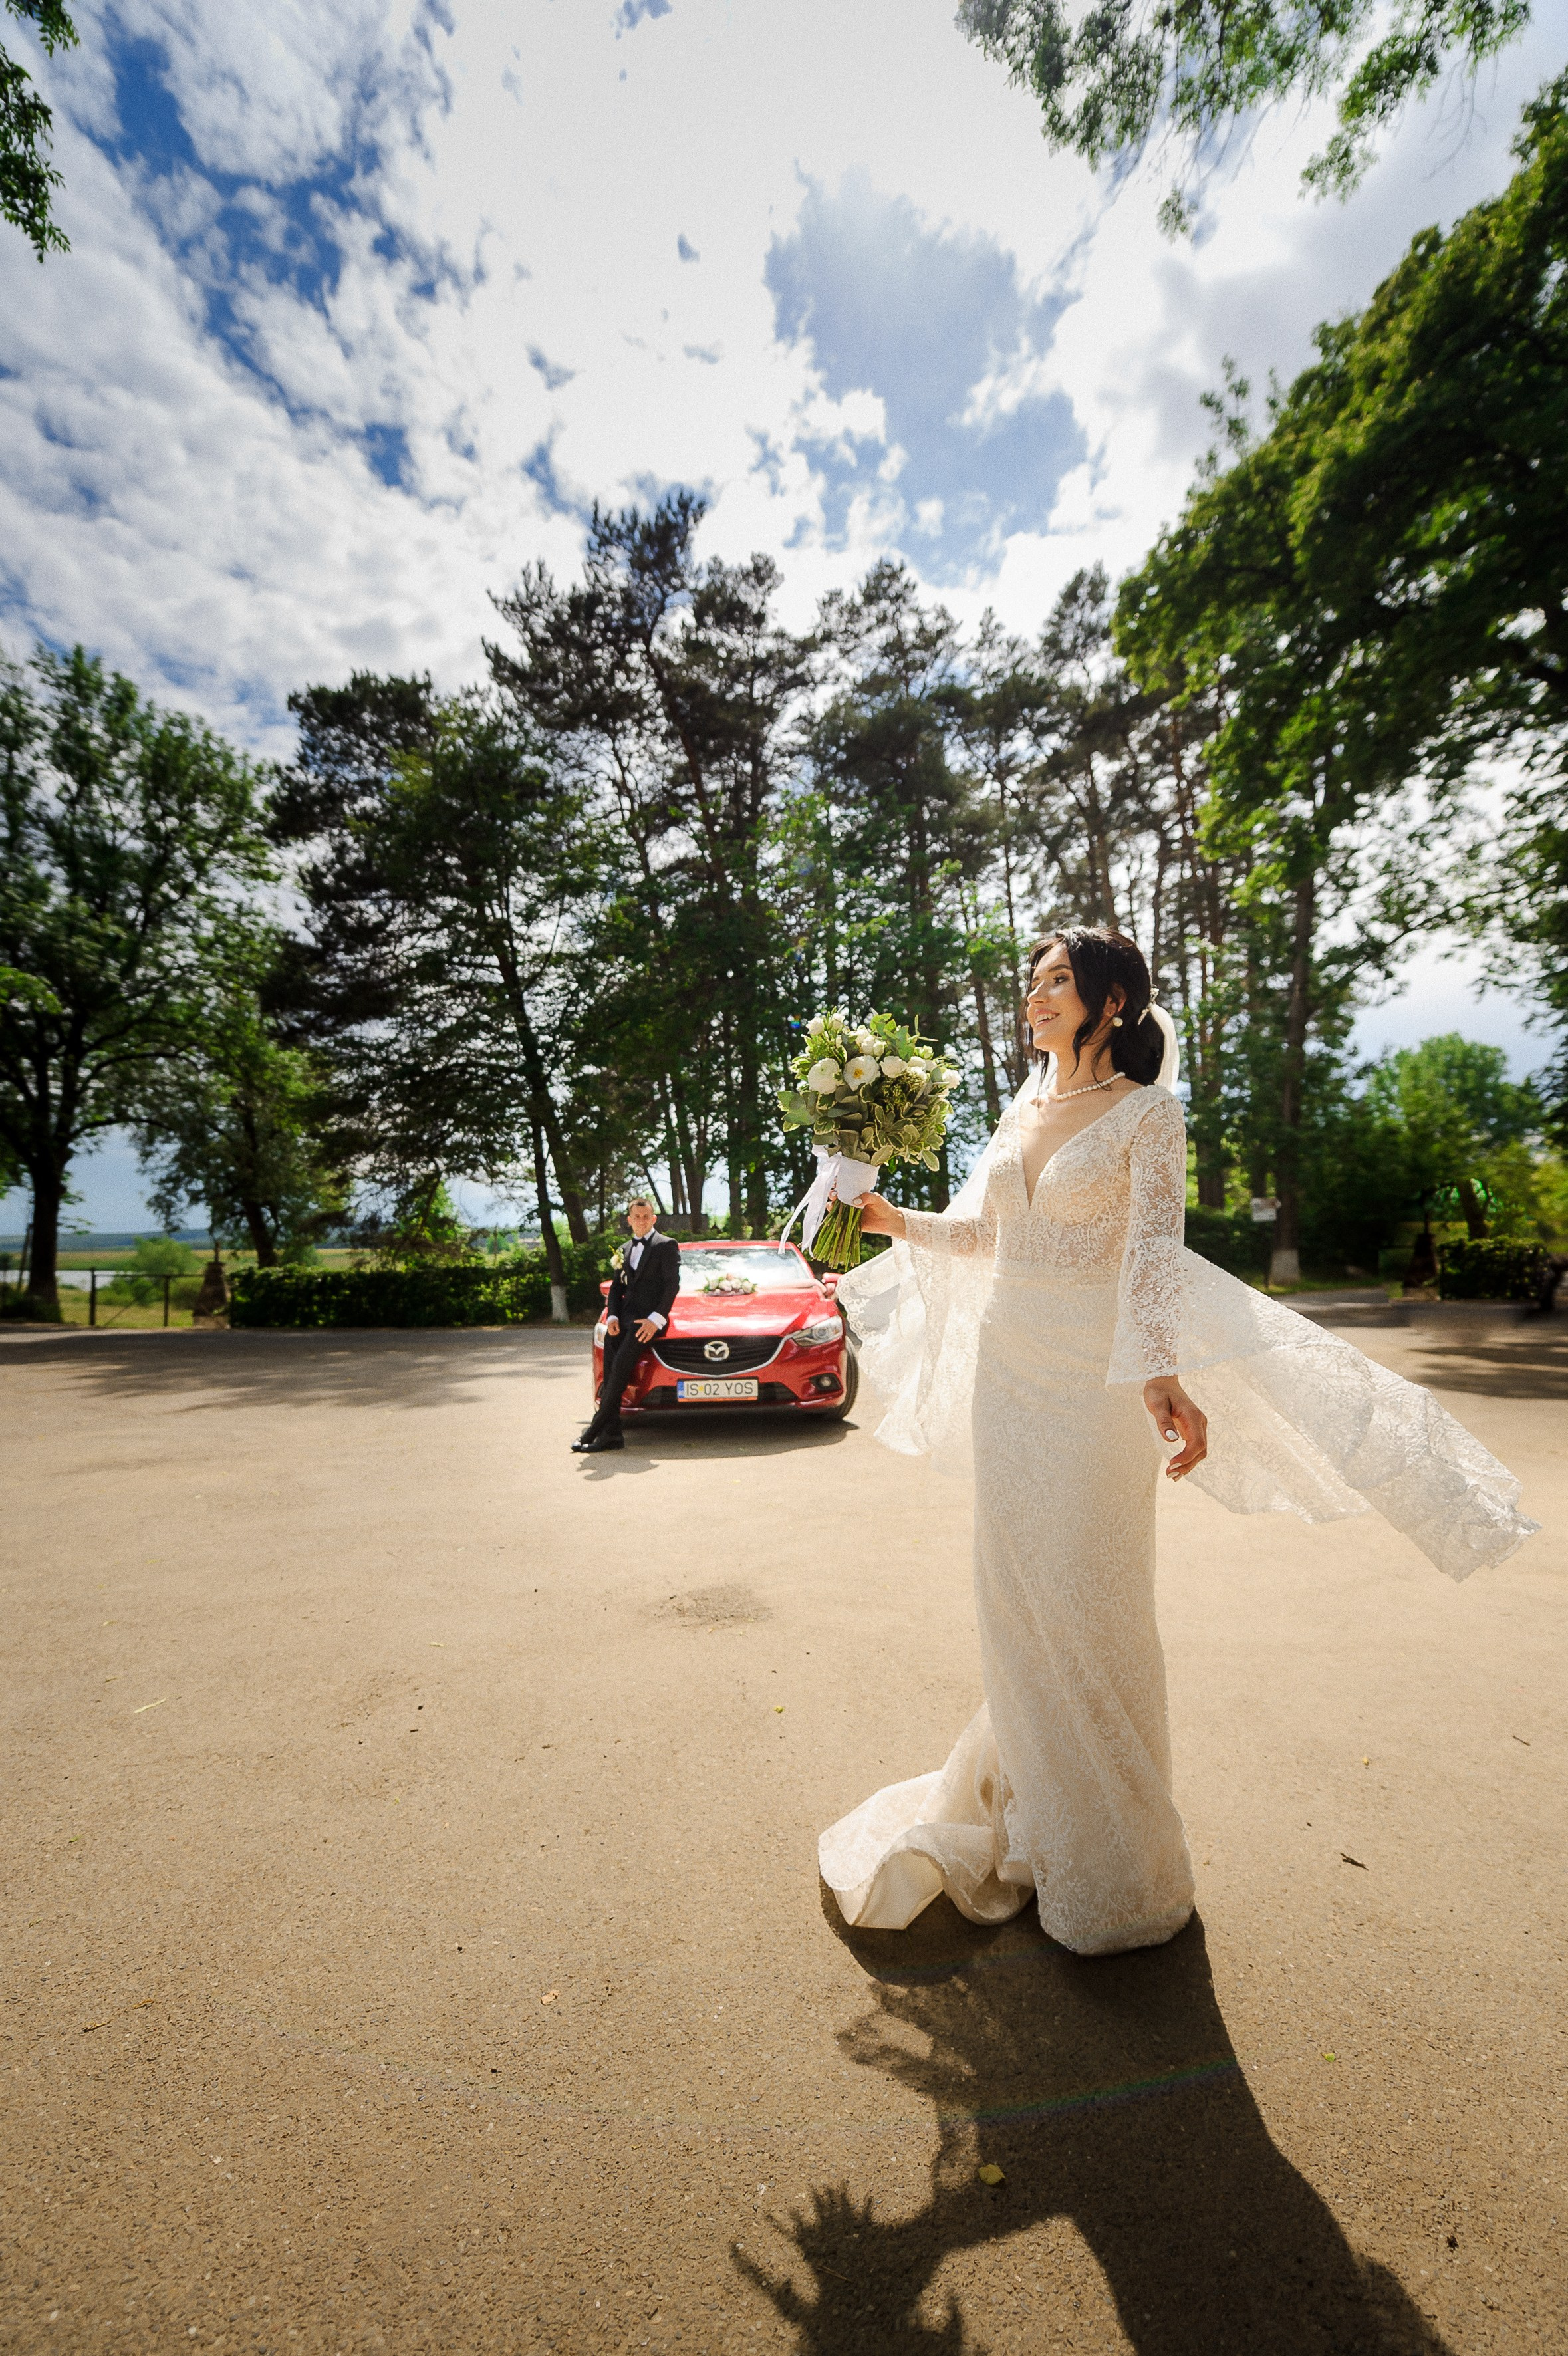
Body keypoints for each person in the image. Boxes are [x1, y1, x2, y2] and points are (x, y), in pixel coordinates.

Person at [819, 926, 1537, 1957]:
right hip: (1007, 1376)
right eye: (1031, 982)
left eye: (1058, 979)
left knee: (1091, 1605)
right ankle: (1035, 1815)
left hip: (1089, 1389)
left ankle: (1117, 1870)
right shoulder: (1021, 1106)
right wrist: (893, 1219)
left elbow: (1153, 1251)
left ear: (1112, 1001)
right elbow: (986, 1237)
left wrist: (1160, 1373)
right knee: (1017, 1605)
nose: (1036, 995)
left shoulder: (1149, 1113)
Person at [572, 1198, 680, 1455]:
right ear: (629, 1220)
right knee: (611, 1374)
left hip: (647, 1323)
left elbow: (671, 1286)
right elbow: (617, 1288)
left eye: (646, 1216)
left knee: (621, 1367)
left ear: (654, 1219)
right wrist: (612, 1317)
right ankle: (613, 1435)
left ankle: (595, 1428)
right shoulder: (623, 1248)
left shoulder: (666, 1245)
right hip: (622, 1322)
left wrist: (656, 1320)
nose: (642, 1220)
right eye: (637, 1216)